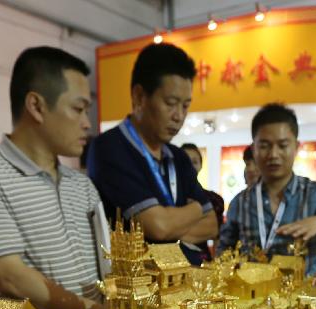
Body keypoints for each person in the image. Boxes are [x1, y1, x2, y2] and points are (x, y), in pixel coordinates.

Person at [0, 46, 106, 309]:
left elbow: (105, 265)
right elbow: (12, 278)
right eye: (78, 109)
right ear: (36, 106)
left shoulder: (81, 185)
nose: (86, 124)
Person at [87, 43, 218, 266]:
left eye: (185, 106)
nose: (179, 116)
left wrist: (167, 231)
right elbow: (159, 226)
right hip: (139, 290)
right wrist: (196, 209)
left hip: (186, 284)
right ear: (139, 97)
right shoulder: (110, 148)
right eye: (170, 103)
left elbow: (211, 225)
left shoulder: (178, 157)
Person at [219, 104, 316, 275]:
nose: (273, 154)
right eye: (264, 146)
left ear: (296, 147)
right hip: (251, 297)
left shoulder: (315, 193)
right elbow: (223, 252)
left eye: (283, 145)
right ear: (254, 149)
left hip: (301, 297)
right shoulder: (240, 202)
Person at [181, 142, 224, 260]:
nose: (190, 166)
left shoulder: (214, 200)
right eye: (185, 162)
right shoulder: (167, 198)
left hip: (202, 261)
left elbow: (217, 238)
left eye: (194, 162)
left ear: (200, 165)